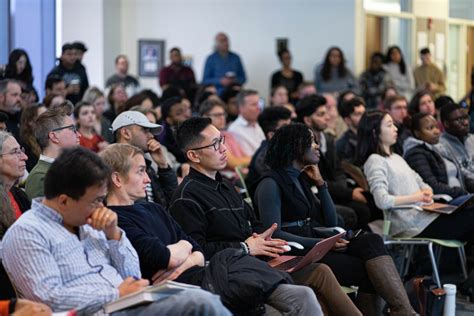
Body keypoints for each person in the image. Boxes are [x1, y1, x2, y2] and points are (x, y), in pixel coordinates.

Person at [169, 117, 362, 316]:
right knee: (306, 294)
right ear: (193, 155)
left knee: (320, 271)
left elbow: (255, 224)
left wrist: (270, 239)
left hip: (257, 261)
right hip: (231, 274)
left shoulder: (225, 185)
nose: (224, 149)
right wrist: (245, 247)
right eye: (215, 144)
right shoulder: (186, 198)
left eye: (222, 140)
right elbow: (197, 252)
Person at [2, 147, 230, 315]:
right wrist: (117, 294)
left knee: (206, 297)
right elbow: (48, 299)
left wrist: (115, 236)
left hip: (126, 303)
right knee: (199, 303)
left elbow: (133, 276)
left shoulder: (91, 221)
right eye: (97, 200)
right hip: (96, 311)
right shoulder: (27, 232)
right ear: (64, 200)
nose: (102, 207)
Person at [101, 143, 323, 315]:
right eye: (140, 171)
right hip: (193, 288)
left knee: (303, 295)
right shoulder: (115, 220)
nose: (148, 179)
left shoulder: (154, 209)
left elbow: (194, 247)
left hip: (210, 276)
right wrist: (184, 251)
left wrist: (184, 255)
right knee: (290, 304)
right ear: (117, 178)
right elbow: (162, 256)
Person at [254, 123, 415, 315]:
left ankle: (404, 311)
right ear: (296, 146)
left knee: (372, 240)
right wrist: (321, 243)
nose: (317, 146)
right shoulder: (270, 183)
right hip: (299, 252)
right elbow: (274, 233)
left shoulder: (300, 179)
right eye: (311, 141)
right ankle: (403, 311)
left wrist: (321, 184)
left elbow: (332, 222)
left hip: (316, 244)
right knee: (369, 273)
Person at [357, 110, 474, 243]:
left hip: (427, 216)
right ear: (375, 132)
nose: (395, 129)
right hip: (411, 226)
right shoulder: (375, 160)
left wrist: (427, 192)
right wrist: (417, 197)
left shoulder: (396, 158)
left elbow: (421, 182)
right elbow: (382, 200)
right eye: (389, 125)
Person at [296, 95, 372, 229]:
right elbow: (312, 180)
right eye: (321, 114)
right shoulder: (301, 146)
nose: (328, 117)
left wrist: (345, 191)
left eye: (326, 112)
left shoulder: (328, 139)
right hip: (318, 195)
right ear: (307, 119)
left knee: (366, 205)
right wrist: (347, 193)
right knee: (355, 212)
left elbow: (339, 171)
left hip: (335, 192)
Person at [112, 110, 178, 208]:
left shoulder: (147, 167)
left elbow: (172, 202)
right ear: (126, 133)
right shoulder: (113, 166)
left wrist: (163, 166)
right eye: (145, 130)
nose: (151, 136)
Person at [404, 113, 473, 199]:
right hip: (446, 202)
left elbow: (461, 176)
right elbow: (432, 186)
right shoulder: (416, 154)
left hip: (460, 196)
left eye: (436, 127)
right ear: (417, 133)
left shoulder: (438, 149)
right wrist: (462, 192)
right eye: (430, 128)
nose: (436, 131)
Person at [25, 104, 80, 200]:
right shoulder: (40, 178)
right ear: (54, 136)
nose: (79, 135)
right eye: (72, 129)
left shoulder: (70, 168)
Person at [199, 99, 250, 179]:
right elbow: (234, 163)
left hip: (244, 175)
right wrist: (254, 159)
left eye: (223, 114)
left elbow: (244, 156)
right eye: (218, 115)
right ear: (205, 117)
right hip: (230, 179)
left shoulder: (228, 134)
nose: (222, 118)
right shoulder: (207, 139)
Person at [246, 106, 292, 192]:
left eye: (291, 125)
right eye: (285, 127)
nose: (292, 131)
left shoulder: (283, 150)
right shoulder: (264, 157)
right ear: (271, 135)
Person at [437, 103, 474, 187]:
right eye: (459, 119)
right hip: (464, 194)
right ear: (446, 124)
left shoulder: (472, 139)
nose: (466, 122)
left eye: (466, 117)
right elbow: (463, 177)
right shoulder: (440, 146)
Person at [227, 90, 265, 156]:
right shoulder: (235, 130)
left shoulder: (258, 123)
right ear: (241, 108)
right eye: (254, 104)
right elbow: (249, 157)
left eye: (259, 104)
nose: (259, 108)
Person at [157, 96, 192, 163]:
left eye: (186, 110)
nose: (186, 115)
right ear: (169, 120)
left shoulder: (196, 127)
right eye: (179, 113)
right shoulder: (166, 142)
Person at [336, 97, 366, 162]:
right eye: (358, 114)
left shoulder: (372, 137)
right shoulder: (342, 145)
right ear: (347, 120)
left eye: (364, 113)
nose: (363, 117)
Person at [20, 103, 47, 171]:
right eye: (43, 117)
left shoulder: (49, 139)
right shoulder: (24, 146)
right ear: (30, 122)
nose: (48, 120)